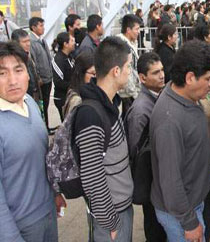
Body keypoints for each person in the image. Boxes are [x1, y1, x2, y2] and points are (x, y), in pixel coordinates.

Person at [150, 40, 210, 242]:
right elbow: (170, 181)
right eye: (208, 79)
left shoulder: (186, 97)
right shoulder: (169, 121)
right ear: (189, 78)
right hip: (182, 214)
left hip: (193, 202)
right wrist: (189, 223)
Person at [0, 41, 65, 242]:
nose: (12, 80)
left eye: (18, 70)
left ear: (28, 73)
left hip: (47, 213)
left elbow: (42, 156)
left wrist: (55, 193)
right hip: (20, 225)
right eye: (2, 73)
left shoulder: (30, 102)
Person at [73, 37, 134, 242]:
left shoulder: (109, 103)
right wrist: (111, 222)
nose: (130, 72)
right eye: (129, 66)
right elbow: (92, 176)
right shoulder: (91, 115)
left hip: (120, 207)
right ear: (116, 71)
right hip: (111, 217)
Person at [124, 52, 167, 242]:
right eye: (156, 72)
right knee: (154, 227)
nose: (162, 75)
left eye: (162, 70)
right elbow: (136, 152)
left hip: (158, 181)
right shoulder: (141, 110)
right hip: (150, 182)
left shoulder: (158, 98)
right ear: (142, 78)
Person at [29, 17, 54, 134]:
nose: (43, 28)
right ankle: (44, 128)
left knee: (46, 104)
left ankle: (47, 126)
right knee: (42, 105)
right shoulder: (32, 43)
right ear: (33, 27)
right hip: (42, 80)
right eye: (40, 26)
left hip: (48, 78)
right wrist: (38, 77)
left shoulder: (42, 41)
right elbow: (33, 62)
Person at [116, 14, 141, 118]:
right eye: (137, 29)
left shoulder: (132, 43)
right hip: (126, 94)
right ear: (128, 30)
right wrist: (135, 95)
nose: (139, 32)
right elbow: (127, 71)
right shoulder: (121, 46)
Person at [11, 29, 42, 103]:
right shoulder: (14, 60)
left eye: (28, 41)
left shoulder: (28, 54)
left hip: (35, 94)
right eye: (24, 42)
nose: (28, 44)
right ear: (16, 43)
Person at [62, 51, 95, 117]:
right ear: (81, 73)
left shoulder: (88, 91)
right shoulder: (77, 100)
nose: (96, 77)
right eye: (93, 74)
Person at [51, 32, 75, 121]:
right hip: (63, 99)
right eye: (72, 41)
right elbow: (58, 82)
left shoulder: (69, 57)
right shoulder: (58, 59)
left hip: (71, 95)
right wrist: (74, 86)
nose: (74, 43)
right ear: (65, 44)